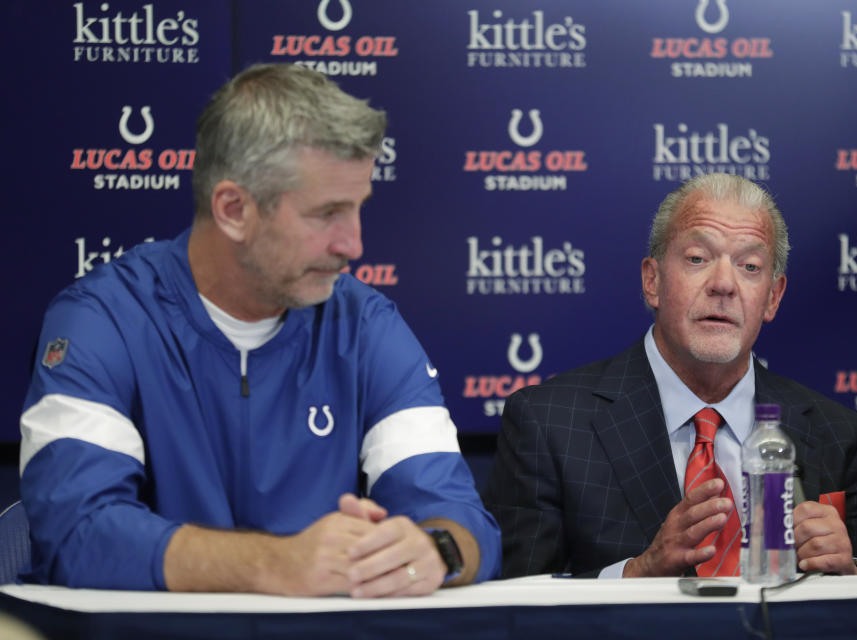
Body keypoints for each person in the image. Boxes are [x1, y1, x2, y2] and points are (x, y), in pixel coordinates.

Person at [20, 63, 500, 597]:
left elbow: (459, 516)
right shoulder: (104, 317)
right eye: (328, 213)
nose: (354, 245)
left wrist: (435, 551)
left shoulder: (365, 324)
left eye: (359, 208)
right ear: (233, 209)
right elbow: (76, 535)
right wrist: (276, 564)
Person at [483, 173, 857, 578]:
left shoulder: (836, 434)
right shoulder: (549, 423)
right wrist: (637, 573)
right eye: (697, 259)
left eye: (749, 266)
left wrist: (852, 571)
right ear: (653, 281)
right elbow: (517, 605)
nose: (723, 284)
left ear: (772, 297)